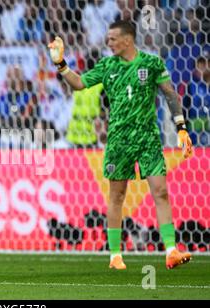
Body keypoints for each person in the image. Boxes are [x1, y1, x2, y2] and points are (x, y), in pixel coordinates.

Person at [48, 20, 193, 270]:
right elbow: (80, 83)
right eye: (108, 38)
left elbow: (170, 95)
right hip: (118, 140)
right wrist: (61, 64)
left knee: (160, 191)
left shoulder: (151, 63)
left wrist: (181, 128)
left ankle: (171, 251)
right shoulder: (107, 65)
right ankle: (115, 255)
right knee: (117, 196)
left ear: (127, 39)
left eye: (113, 38)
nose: (108, 42)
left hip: (147, 137)